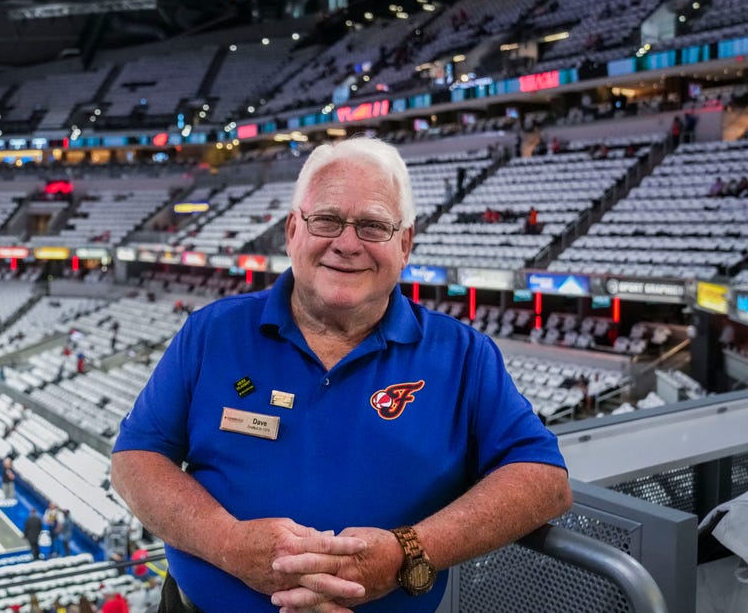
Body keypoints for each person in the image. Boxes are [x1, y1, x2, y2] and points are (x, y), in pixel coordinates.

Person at [110, 137, 572, 613]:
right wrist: (230, 544)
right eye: (326, 220)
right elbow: (134, 460)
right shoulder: (212, 331)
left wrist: (405, 552)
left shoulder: (463, 355)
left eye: (373, 226)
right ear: (292, 230)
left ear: (405, 243)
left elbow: (544, 480)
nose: (347, 244)